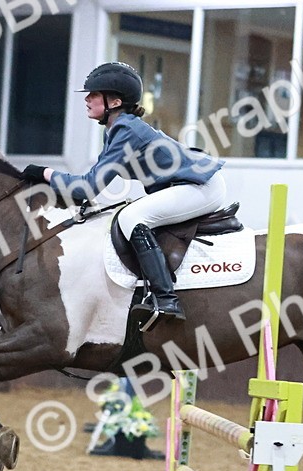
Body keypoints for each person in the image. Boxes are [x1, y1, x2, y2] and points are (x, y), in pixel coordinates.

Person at [22, 63, 226, 323]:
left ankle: (166, 300)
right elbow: (84, 188)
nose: (87, 99)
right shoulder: (117, 130)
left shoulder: (126, 130)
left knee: (131, 217)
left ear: (115, 101)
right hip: (190, 184)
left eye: (94, 94)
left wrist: (44, 173)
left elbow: (86, 187)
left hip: (201, 186)